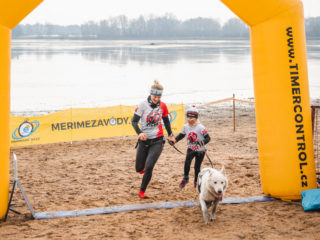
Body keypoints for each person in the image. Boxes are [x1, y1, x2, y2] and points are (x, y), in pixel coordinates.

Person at [131, 80, 176, 199]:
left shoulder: (163, 106)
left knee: (149, 166)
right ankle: (144, 169)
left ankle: (142, 191)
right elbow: (134, 121)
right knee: (139, 168)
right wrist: (139, 133)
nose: (156, 99)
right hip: (144, 141)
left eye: (159, 96)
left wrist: (170, 134)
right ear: (150, 94)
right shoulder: (142, 105)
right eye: (154, 96)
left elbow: (166, 121)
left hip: (157, 140)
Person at [174, 105, 211, 188]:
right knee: (187, 163)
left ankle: (196, 181)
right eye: (188, 118)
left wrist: (202, 142)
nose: (190, 120)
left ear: (196, 118)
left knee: (197, 167)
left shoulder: (201, 127)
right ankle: (185, 178)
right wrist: (175, 140)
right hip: (191, 148)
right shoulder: (185, 126)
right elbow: (181, 135)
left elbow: (208, 138)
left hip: (201, 150)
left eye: (192, 118)